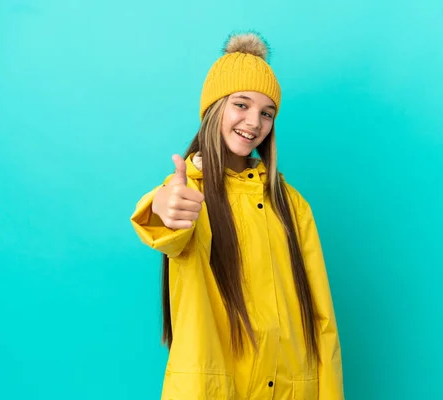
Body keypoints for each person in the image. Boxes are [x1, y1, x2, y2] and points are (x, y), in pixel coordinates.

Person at [131, 31, 344, 399]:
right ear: (215, 108)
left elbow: (322, 320)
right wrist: (162, 206)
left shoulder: (292, 205)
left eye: (267, 113)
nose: (254, 122)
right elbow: (167, 223)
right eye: (241, 105)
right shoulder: (189, 191)